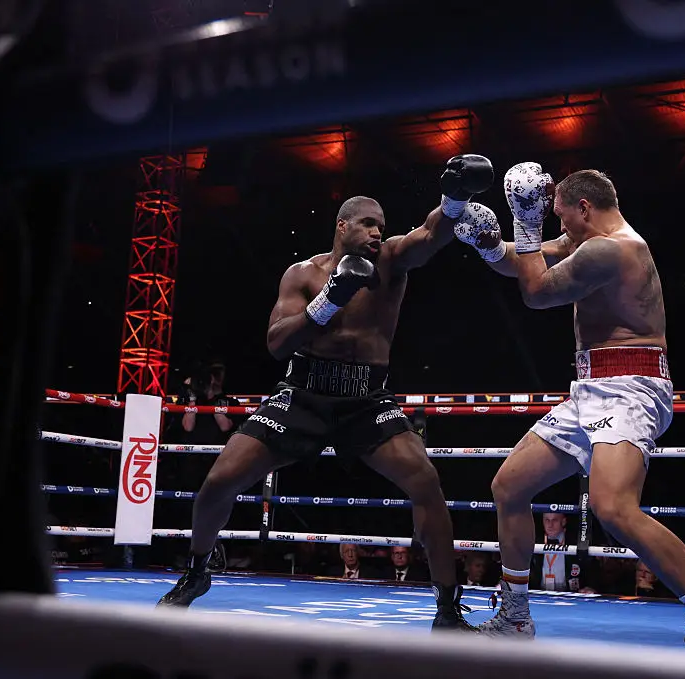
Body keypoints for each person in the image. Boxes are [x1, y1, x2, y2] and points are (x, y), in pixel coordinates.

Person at [156, 154, 495, 631]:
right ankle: (196, 572)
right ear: (343, 227)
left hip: (366, 400)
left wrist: (455, 197)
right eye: (369, 225)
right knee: (218, 482)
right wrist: (328, 300)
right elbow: (276, 344)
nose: (379, 233)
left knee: (426, 483)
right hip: (303, 393)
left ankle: (445, 609)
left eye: (383, 225)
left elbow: (430, 234)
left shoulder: (392, 261)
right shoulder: (303, 275)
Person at [453, 164, 685, 655]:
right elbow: (526, 261)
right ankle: (513, 617)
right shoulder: (588, 242)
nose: (557, 227)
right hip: (591, 386)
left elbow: (536, 292)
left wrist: (525, 223)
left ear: (584, 208)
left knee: (614, 507)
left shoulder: (613, 249)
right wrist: (489, 245)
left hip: (631, 386)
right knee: (509, 485)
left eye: (559, 216)